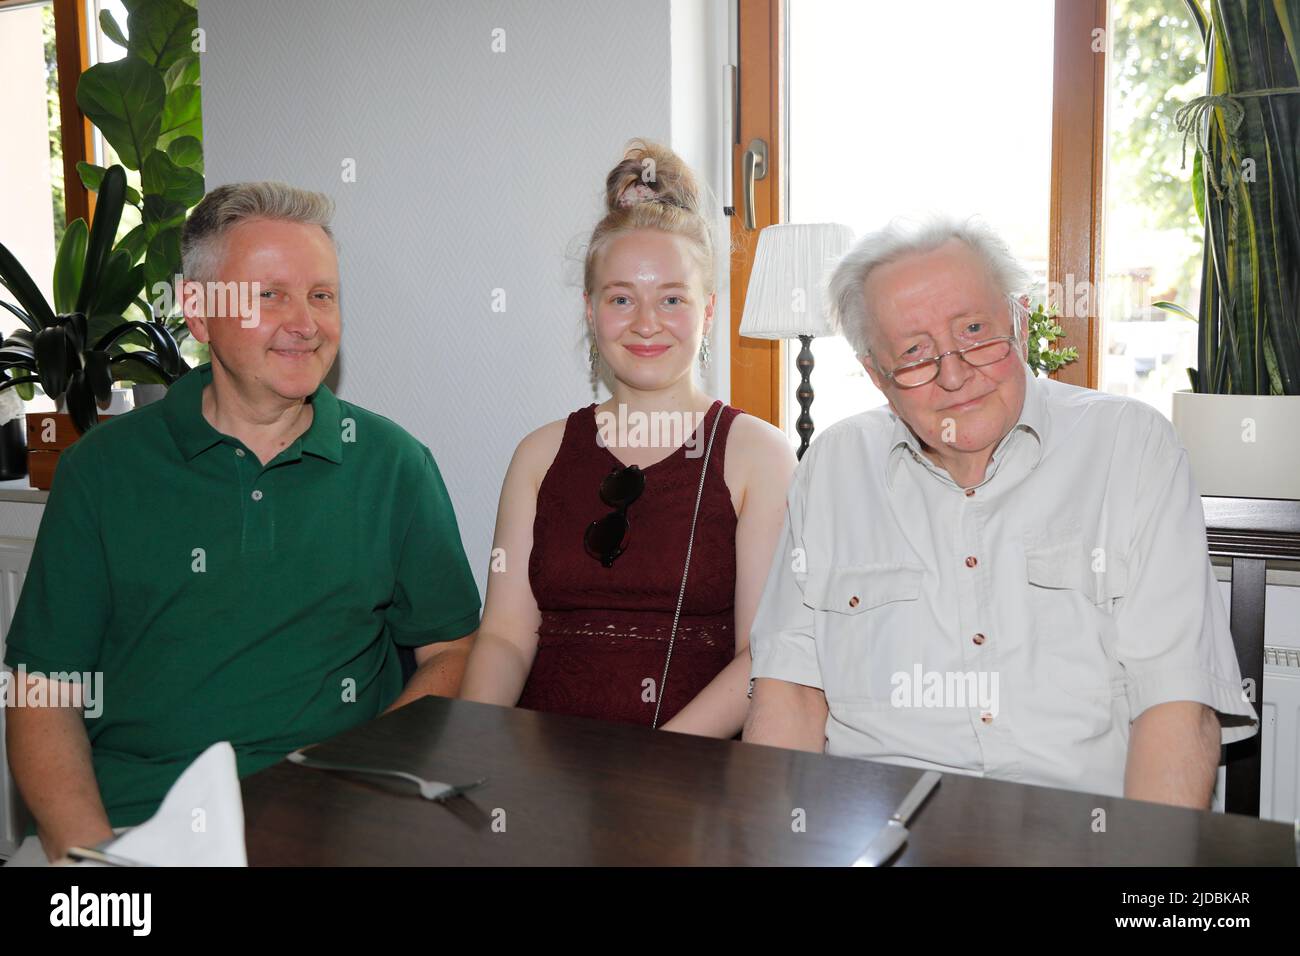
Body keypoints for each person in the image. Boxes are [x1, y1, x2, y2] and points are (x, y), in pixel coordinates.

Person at [4, 182, 480, 863]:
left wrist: (372, 788)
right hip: (139, 825)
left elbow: (453, 650)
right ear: (196, 312)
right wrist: (93, 859)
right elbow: (41, 693)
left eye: (322, 295)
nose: (305, 322)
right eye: (270, 295)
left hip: (336, 824)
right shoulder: (100, 473)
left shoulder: (395, 466)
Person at [743, 215, 1257, 808]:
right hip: (876, 831)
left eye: (975, 330)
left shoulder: (1131, 446)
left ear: (1017, 320)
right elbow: (790, 694)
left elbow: (1176, 704)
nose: (956, 374)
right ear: (876, 377)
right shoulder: (832, 466)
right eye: (913, 352)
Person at [459, 140, 795, 736]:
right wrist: (478, 746)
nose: (646, 323)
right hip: (542, 773)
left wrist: (657, 761)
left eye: (672, 299)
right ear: (590, 312)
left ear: (709, 311)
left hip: (687, 777)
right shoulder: (539, 455)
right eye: (621, 299)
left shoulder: (757, 455)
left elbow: (761, 655)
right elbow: (506, 636)